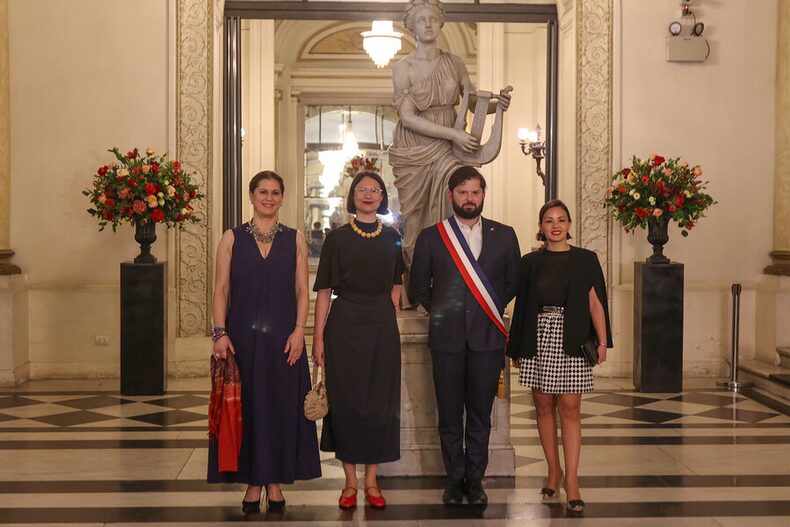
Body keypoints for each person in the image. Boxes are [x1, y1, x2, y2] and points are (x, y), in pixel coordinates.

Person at [208, 170, 321, 513]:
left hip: (285, 340)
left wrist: (300, 330)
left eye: (275, 192)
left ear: (282, 198)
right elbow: (220, 289)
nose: (269, 198)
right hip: (241, 339)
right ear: (251, 196)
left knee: (280, 408)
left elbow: (302, 290)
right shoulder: (231, 238)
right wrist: (219, 333)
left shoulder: (295, 239)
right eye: (263, 192)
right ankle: (252, 482)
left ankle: (274, 482)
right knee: (246, 410)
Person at [409, 166, 521, 505]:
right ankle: (455, 479)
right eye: (462, 192)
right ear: (451, 196)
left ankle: (476, 479)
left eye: (475, 192)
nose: (469, 198)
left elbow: (513, 282)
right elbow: (419, 287)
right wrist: (447, 312)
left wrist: (486, 310)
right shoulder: (432, 237)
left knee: (479, 414)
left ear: (483, 195)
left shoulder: (504, 235)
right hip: (447, 340)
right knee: (448, 413)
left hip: (487, 339)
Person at [506, 199, 613, 514]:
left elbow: (596, 303)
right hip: (537, 337)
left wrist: (603, 342)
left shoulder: (586, 259)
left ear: (569, 224)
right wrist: (516, 347)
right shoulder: (529, 262)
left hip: (574, 337)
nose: (555, 226)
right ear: (541, 227)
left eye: (561, 220)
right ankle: (554, 471)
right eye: (549, 220)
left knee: (570, 408)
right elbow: (521, 306)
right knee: (542, 407)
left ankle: (573, 480)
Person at [389, 0, 511, 273]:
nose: (428, 24)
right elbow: (408, 117)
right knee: (414, 220)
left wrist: (499, 105)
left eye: (433, 19)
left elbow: (473, 103)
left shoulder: (454, 63)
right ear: (411, 26)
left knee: (452, 201)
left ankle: (448, 273)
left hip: (450, 149)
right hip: (415, 147)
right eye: (421, 20)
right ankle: (418, 280)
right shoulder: (403, 68)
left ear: (441, 22)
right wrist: (454, 134)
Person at [312, 170, 405, 510]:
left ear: (382, 197)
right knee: (347, 402)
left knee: (381, 404)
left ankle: (372, 480)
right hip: (344, 324)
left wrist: (389, 312)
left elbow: (397, 283)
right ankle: (350, 481)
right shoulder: (336, 238)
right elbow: (324, 292)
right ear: (353, 195)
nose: (368, 194)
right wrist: (317, 338)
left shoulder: (392, 236)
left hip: (381, 326)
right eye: (362, 189)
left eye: (375, 189)